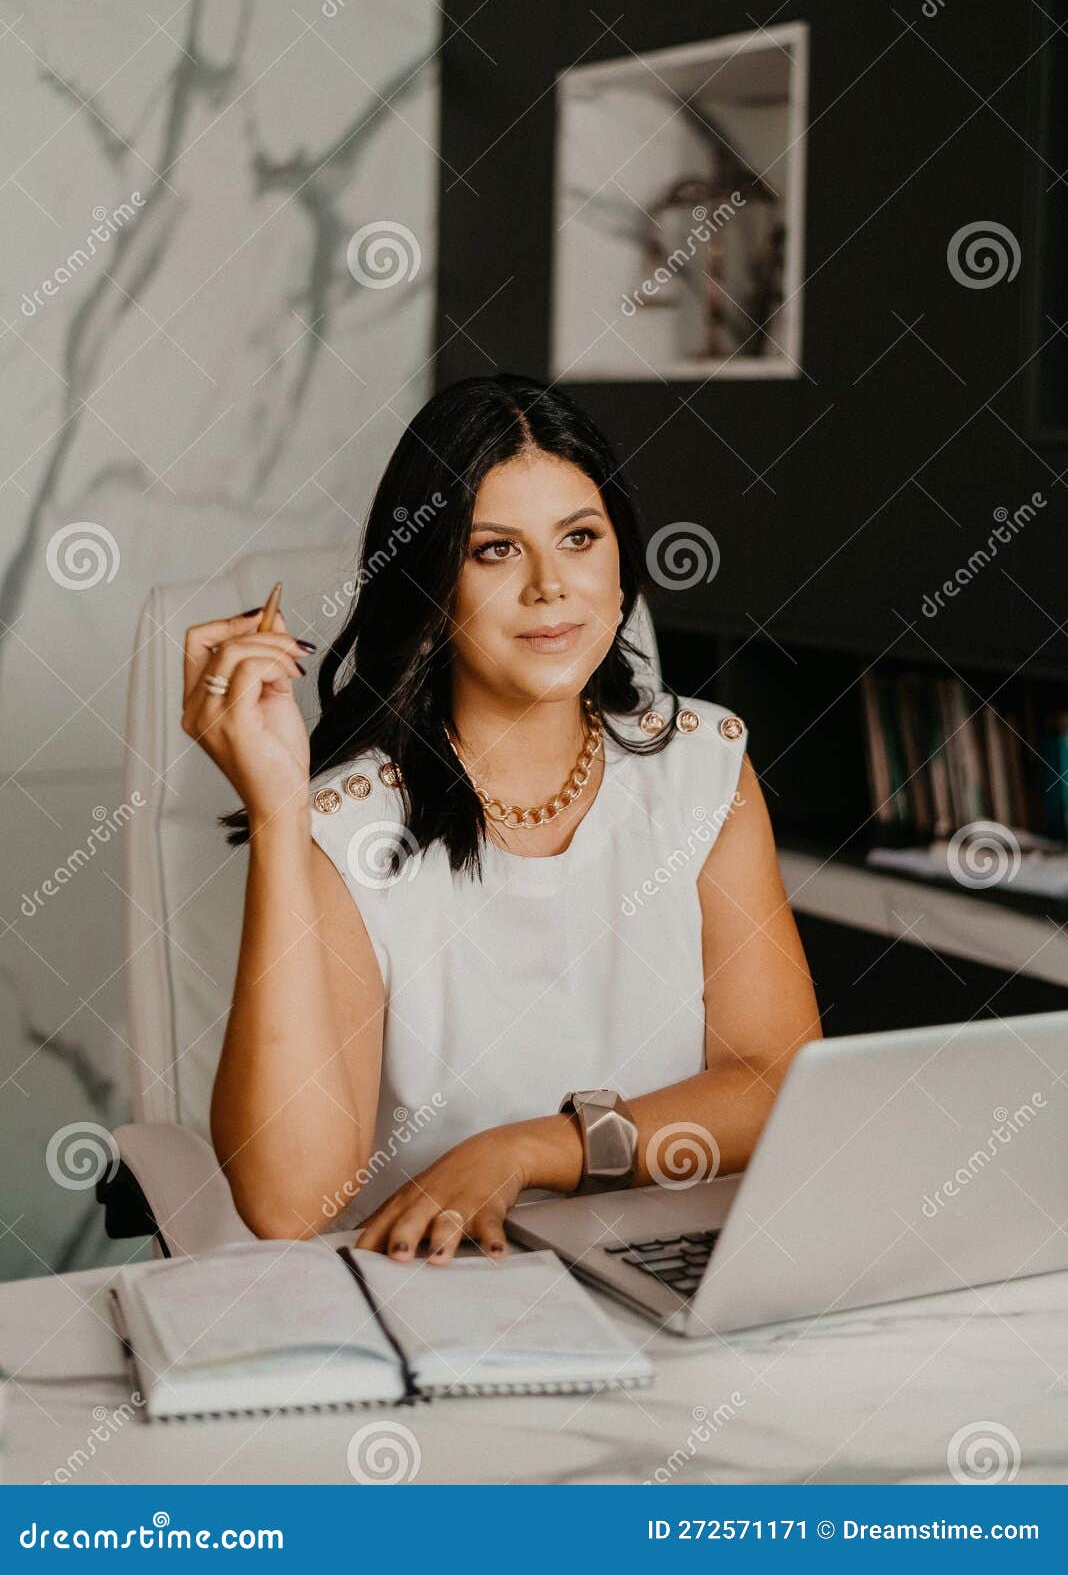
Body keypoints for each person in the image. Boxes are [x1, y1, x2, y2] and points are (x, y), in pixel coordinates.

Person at [183, 373, 821, 1264]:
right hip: (434, 1283)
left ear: (622, 557)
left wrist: (531, 1150)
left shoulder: (702, 764)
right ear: (432, 580)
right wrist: (284, 815)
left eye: (580, 537)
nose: (551, 587)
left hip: (663, 1260)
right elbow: (291, 1202)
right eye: (494, 551)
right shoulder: (351, 822)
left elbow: (777, 1081)